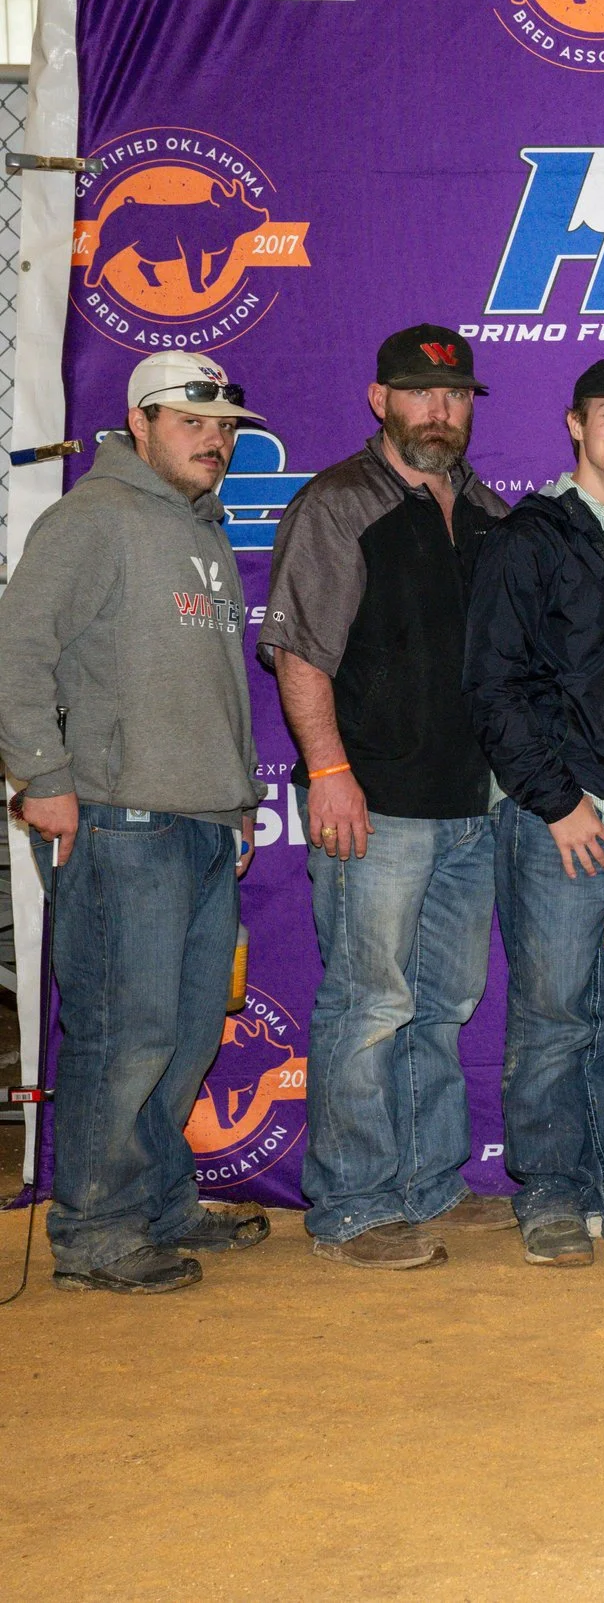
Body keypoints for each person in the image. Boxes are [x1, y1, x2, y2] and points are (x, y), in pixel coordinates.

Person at [0, 352, 269, 1293]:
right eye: (194, 423)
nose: (216, 441)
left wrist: (236, 799)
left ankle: (159, 1200)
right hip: (118, 820)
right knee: (126, 1028)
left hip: (198, 819)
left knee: (188, 1026)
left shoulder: (204, 530)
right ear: (139, 421)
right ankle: (97, 1230)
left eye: (226, 426)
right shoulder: (91, 519)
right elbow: (16, 649)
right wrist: (40, 774)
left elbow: (221, 688)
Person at [260, 325, 517, 1271]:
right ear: (381, 402)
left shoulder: (486, 508)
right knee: (369, 1003)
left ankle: (426, 1182)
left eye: (454, 397)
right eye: (418, 395)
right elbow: (297, 652)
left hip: (468, 804)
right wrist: (329, 771)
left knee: (443, 1001)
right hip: (374, 800)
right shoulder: (337, 503)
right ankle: (354, 1205)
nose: (439, 411)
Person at [465, 359, 604, 1268]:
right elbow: (494, 684)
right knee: (555, 1008)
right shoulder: (531, 535)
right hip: (558, 807)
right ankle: (550, 1192)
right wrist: (557, 804)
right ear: (573, 425)